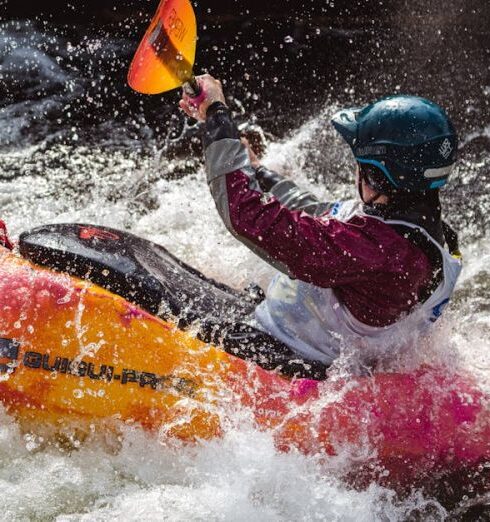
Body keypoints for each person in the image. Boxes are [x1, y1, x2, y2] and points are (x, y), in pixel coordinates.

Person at [178, 74, 462, 377]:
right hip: (317, 350)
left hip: (286, 360)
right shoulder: (426, 232)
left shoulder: (375, 251)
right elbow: (320, 215)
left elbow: (245, 215)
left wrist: (218, 119)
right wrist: (257, 172)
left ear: (378, 177)